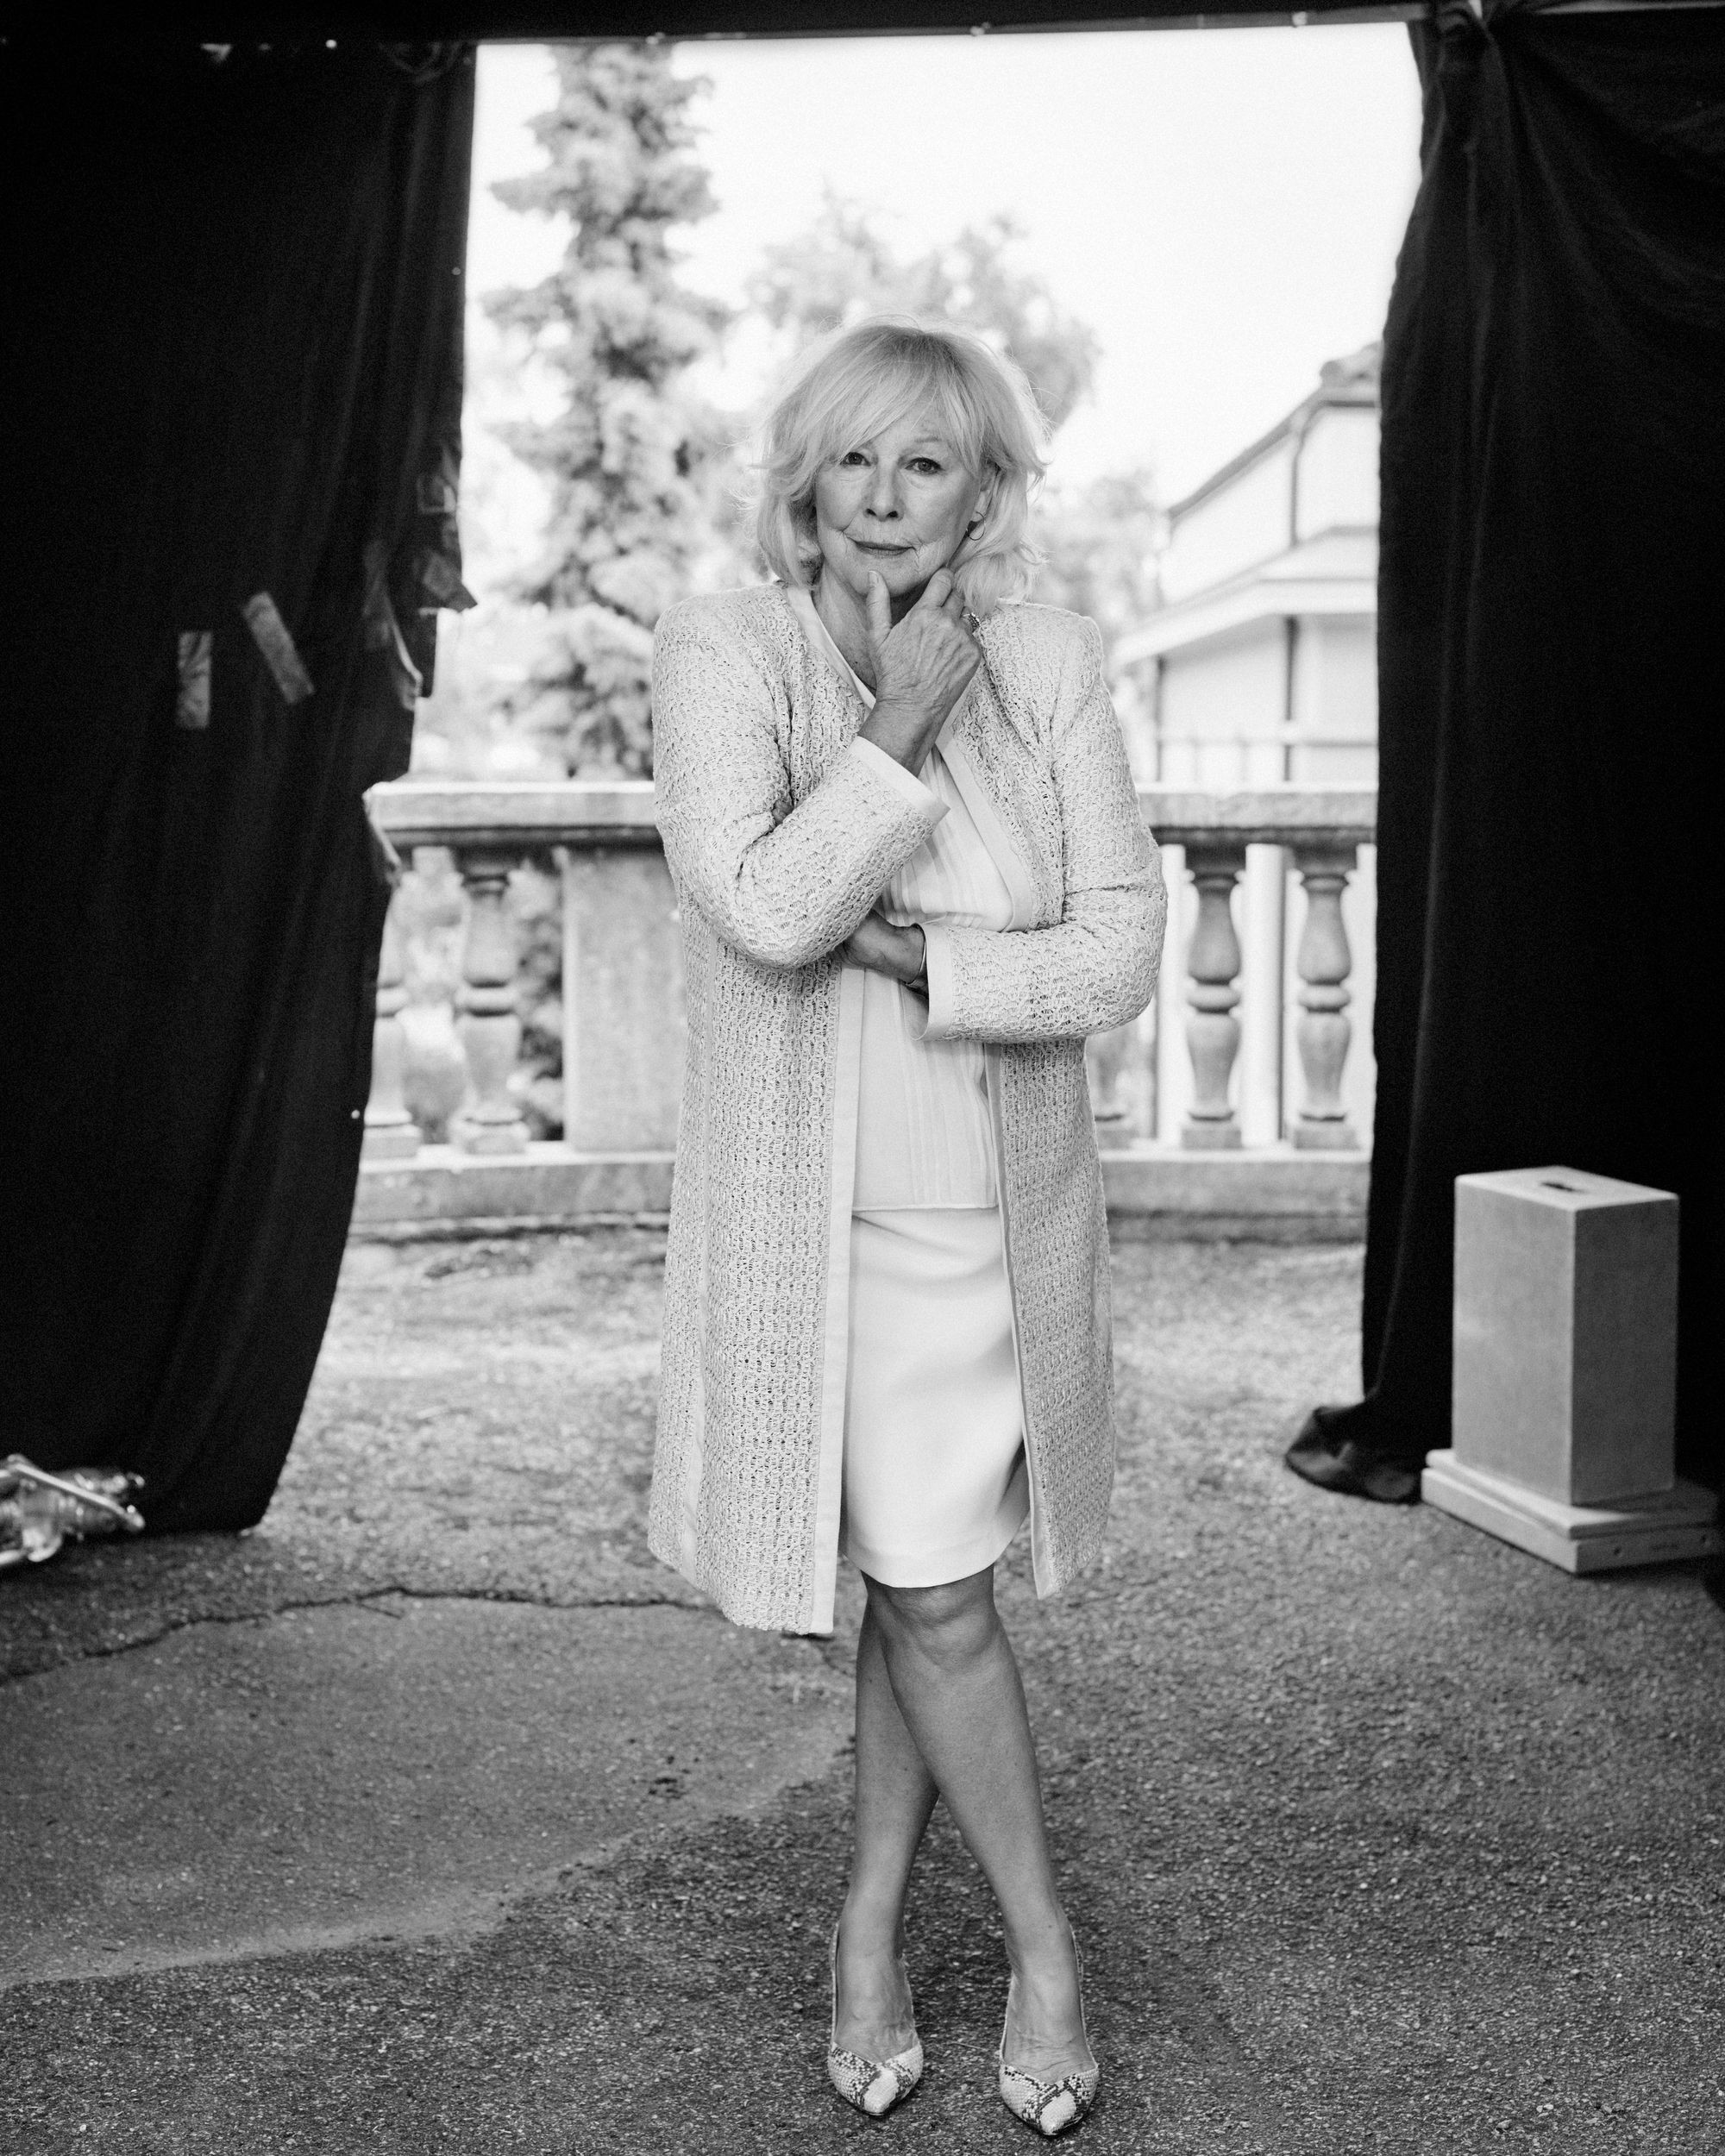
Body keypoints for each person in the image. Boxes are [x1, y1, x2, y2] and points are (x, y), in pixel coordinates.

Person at [649, 317, 1165, 2137]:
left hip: (989, 1234)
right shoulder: (724, 648)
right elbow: (768, 908)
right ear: (806, 482)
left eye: (924, 460)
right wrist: (896, 725)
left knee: (918, 1586)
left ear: (982, 490)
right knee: (936, 1591)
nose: (883, 495)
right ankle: (1042, 1952)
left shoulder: (1055, 658)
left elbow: (1117, 951)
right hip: (823, 1233)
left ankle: (868, 1929)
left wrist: (924, 960)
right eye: (853, 458)